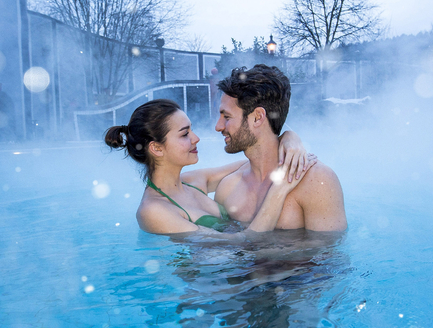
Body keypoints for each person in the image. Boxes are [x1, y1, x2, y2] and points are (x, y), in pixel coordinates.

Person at [104, 98, 315, 236]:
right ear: (157, 148)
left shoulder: (193, 181)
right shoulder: (154, 211)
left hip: (244, 271)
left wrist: (290, 138)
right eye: (185, 134)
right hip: (210, 288)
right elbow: (243, 243)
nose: (196, 138)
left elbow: (258, 158)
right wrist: (279, 190)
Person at [214, 64, 347, 231]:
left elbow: (330, 256)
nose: (218, 127)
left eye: (226, 117)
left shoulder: (317, 181)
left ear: (257, 117)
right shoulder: (227, 189)